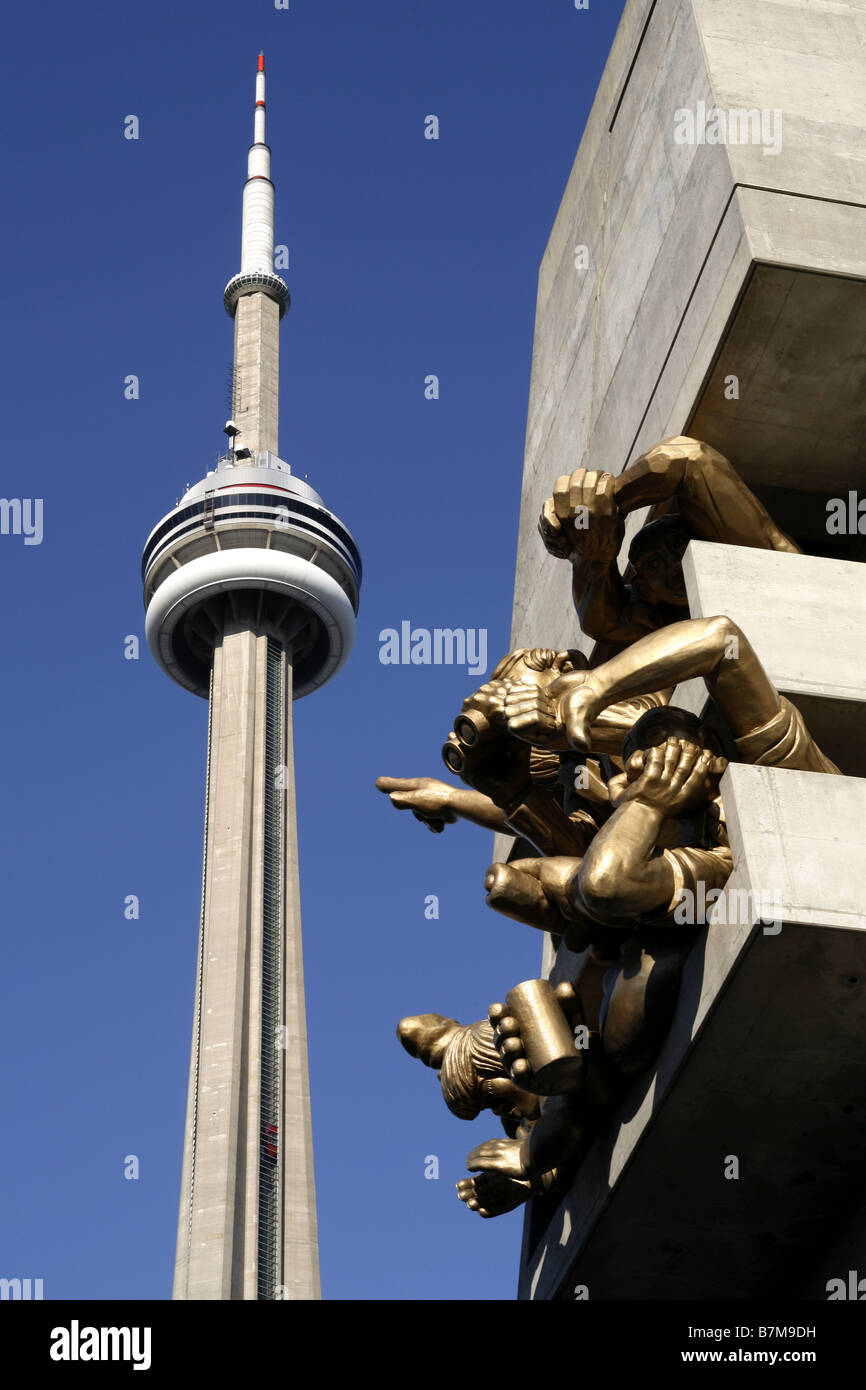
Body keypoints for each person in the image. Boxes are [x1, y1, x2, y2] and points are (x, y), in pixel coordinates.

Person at [537, 436, 800, 646]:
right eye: (654, 565)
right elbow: (603, 623)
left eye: (678, 546)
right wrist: (588, 552)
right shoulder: (667, 621)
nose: (674, 567)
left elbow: (690, 459)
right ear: (645, 589)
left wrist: (610, 501)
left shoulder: (760, 557)